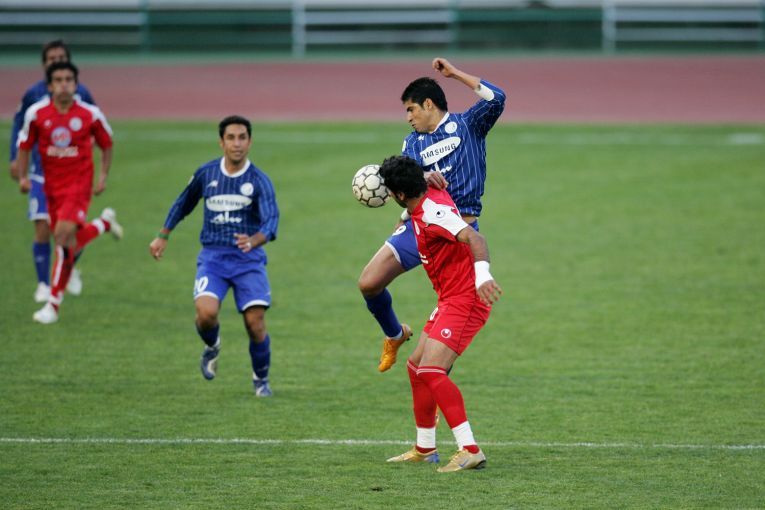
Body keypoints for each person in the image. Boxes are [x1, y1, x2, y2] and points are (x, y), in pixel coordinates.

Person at [358, 57, 506, 372]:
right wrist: (423, 177)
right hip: (421, 226)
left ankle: (435, 384)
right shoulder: (412, 143)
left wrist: (455, 74)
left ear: (428, 104)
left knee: (445, 332)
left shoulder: (469, 124)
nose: (408, 117)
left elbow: (497, 98)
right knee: (369, 283)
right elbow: (406, 182)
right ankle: (395, 334)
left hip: (458, 231)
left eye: (411, 109)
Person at [378, 155, 502, 472]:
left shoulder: (434, 214)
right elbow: (421, 191)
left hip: (466, 299)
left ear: (400, 194)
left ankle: (470, 449)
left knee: (432, 371)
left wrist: (483, 275)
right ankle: (425, 448)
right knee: (416, 366)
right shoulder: (427, 193)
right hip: (449, 298)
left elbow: (475, 237)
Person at [149, 115, 279, 397]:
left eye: (242, 137)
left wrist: (254, 240)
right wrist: (163, 234)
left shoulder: (259, 180)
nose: (237, 143)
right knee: (206, 315)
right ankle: (212, 345)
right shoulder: (207, 174)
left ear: (250, 142)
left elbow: (272, 221)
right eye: (231, 138)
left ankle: (261, 380)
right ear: (221, 142)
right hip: (213, 258)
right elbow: (183, 203)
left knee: (255, 323)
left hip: (248, 260)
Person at [16, 61, 121, 325]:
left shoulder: (89, 114)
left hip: (78, 184)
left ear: (75, 84)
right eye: (59, 80)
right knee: (68, 241)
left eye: (68, 80)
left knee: (62, 238)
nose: (64, 84)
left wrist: (103, 176)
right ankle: (103, 224)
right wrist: (23, 176)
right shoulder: (37, 113)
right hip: (51, 187)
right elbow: (24, 144)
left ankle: (53, 303)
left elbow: (107, 143)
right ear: (50, 86)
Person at [9, 40, 97, 303]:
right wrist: (16, 160)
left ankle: (68, 269)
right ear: (44, 64)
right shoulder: (33, 94)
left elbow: (95, 125)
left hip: (73, 175)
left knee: (67, 231)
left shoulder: (82, 93)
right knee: (42, 227)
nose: (56, 61)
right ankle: (43, 285)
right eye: (52, 58)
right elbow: (19, 126)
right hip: (41, 171)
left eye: (61, 57)